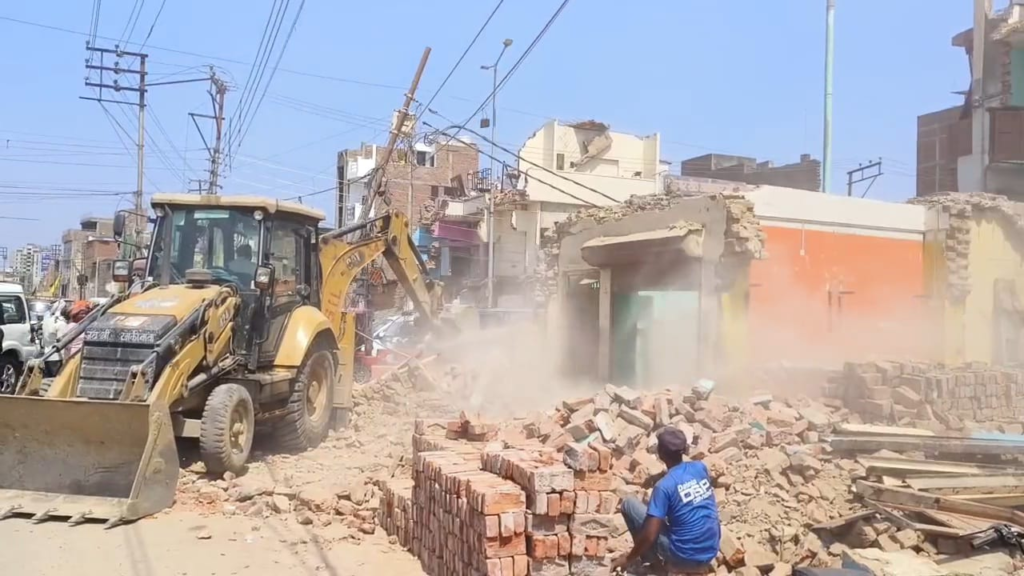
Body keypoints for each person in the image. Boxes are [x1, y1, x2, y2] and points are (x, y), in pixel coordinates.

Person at [611, 427, 721, 574]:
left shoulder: (663, 487)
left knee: (629, 504)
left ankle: (653, 566)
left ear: (660, 452)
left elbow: (650, 535)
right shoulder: (700, 467)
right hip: (709, 551)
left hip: (683, 557)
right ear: (685, 449)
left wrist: (628, 559)